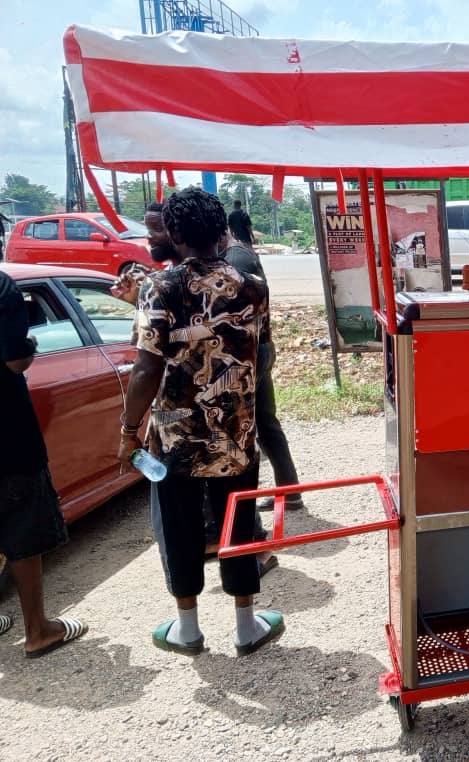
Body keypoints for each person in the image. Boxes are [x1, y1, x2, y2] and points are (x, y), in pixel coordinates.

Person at [117, 187, 284, 657]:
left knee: (179, 524)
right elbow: (256, 347)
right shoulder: (252, 284)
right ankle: (246, 625)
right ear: (221, 231)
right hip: (238, 432)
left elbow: (148, 366)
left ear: (173, 232)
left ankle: (187, 629)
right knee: (238, 520)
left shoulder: (159, 286)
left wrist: (129, 431)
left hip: (177, 437)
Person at [0, 269, 88, 657]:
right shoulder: (3, 287)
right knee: (23, 530)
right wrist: (30, 342)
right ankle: (39, 630)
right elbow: (16, 361)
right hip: (6, 436)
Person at [219, 236, 305, 512]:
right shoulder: (240, 254)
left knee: (244, 427)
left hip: (250, 351)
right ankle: (290, 493)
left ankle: (243, 511)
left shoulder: (234, 259)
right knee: (266, 426)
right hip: (259, 347)